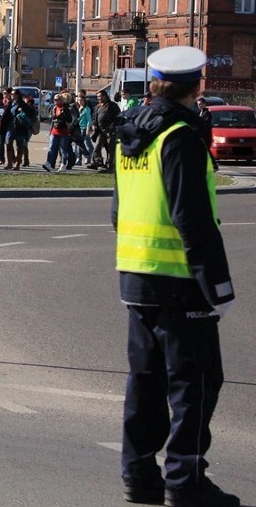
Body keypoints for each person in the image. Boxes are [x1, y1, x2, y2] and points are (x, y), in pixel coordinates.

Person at [114, 46, 239, 507]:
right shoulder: (181, 137)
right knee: (196, 382)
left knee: (145, 381)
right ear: (198, 84)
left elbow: (118, 210)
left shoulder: (130, 135)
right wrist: (218, 288)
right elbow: (194, 220)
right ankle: (186, 482)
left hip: (136, 275)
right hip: (180, 280)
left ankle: (139, 475)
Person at [90, 89, 121, 173]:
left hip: (110, 132)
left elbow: (118, 118)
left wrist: (111, 129)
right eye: (97, 97)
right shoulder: (98, 107)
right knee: (97, 148)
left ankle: (110, 167)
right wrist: (94, 124)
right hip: (100, 131)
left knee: (110, 150)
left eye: (100, 96)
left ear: (104, 96)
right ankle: (99, 163)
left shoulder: (112, 106)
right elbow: (94, 117)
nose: (98, 98)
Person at [42, 93, 73, 172]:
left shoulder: (65, 109)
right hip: (54, 131)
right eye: (54, 99)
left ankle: (63, 165)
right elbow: (52, 119)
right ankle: (49, 163)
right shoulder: (54, 108)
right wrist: (50, 129)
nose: (55, 101)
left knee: (63, 150)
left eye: (57, 99)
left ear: (61, 100)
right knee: (52, 147)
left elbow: (69, 120)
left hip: (63, 131)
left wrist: (62, 116)